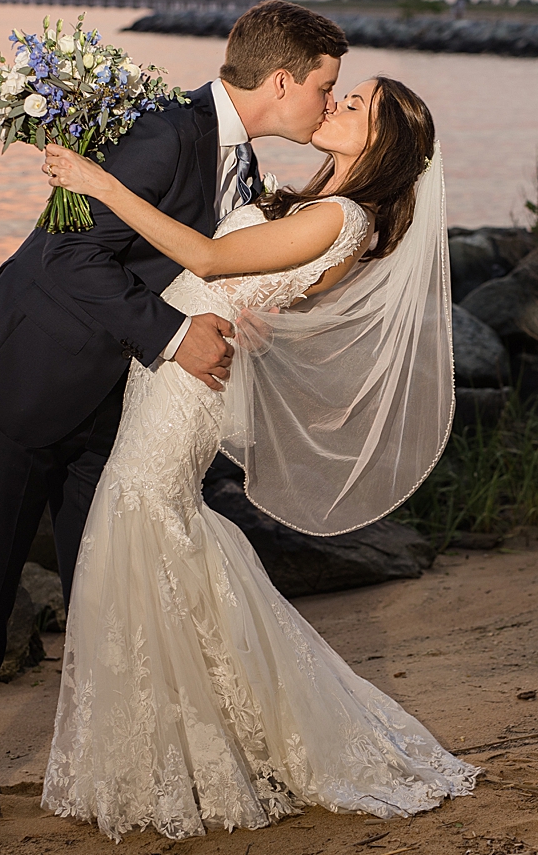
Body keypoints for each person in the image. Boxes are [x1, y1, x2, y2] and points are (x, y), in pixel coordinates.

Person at [0, 0, 348, 826]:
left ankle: (118, 752)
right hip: (28, 371)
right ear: (281, 81)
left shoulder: (244, 167)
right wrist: (173, 337)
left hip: (115, 400)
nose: (329, 105)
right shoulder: (168, 132)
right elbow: (69, 254)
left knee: (113, 579)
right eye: (326, 87)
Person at [37, 76, 475, 840]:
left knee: (143, 513)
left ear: (384, 145)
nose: (337, 104)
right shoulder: (313, 202)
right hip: (178, 364)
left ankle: (186, 741)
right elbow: (255, 284)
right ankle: (193, 729)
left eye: (356, 104)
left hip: (187, 382)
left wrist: (96, 180)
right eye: (343, 91)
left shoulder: (342, 216)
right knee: (152, 521)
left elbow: (208, 260)